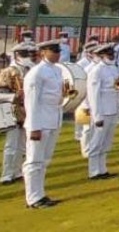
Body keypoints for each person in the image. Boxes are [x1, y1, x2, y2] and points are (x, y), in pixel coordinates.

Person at [23, 40, 65, 209]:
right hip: (39, 122)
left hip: (52, 120)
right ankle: (32, 198)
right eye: (53, 50)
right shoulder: (36, 73)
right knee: (34, 161)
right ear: (43, 52)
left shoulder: (57, 70)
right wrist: (34, 128)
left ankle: (40, 194)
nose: (57, 53)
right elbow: (31, 102)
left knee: (44, 161)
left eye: (58, 50)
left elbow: (56, 97)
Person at [1, 42, 35, 185]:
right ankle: (7, 174)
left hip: (27, 109)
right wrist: (14, 96)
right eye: (23, 54)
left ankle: (17, 171)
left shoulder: (31, 70)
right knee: (11, 144)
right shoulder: (7, 72)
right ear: (16, 55)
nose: (27, 57)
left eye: (28, 54)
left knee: (23, 144)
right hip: (11, 109)